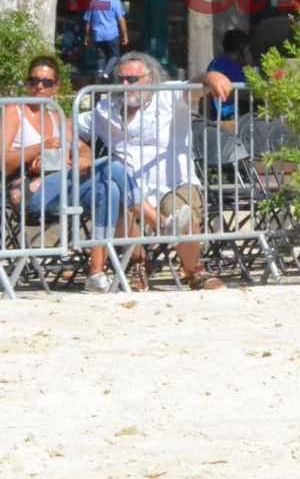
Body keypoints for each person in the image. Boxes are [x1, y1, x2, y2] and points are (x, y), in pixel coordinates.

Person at [79, 52, 223, 290]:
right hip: (129, 184)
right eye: (121, 79)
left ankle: (194, 269)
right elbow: (74, 125)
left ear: (151, 78)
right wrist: (82, 152)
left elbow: (194, 87)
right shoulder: (107, 108)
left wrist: (210, 76)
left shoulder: (168, 95)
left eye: (132, 79)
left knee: (182, 208)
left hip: (173, 180)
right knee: (117, 196)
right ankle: (137, 264)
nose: (125, 85)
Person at [4, 56, 133, 293]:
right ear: (26, 83)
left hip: (60, 185)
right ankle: (156, 221)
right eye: (33, 81)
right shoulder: (14, 111)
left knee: (109, 189)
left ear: (56, 86)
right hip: (27, 191)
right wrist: (40, 147)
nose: (39, 87)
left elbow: (84, 150)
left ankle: (95, 272)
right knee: (113, 167)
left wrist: (80, 159)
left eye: (45, 82)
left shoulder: (56, 115)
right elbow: (3, 161)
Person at [201, 28, 251, 121]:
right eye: (248, 50)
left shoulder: (215, 62)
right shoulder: (234, 67)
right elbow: (246, 92)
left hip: (213, 116)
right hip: (229, 116)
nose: (249, 53)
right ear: (241, 49)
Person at [83, 0, 128, 80]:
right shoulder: (115, 1)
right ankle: (106, 73)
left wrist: (87, 37)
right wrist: (125, 35)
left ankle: (99, 73)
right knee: (115, 55)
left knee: (101, 57)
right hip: (112, 34)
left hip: (98, 35)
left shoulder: (93, 2)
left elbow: (88, 22)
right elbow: (121, 19)